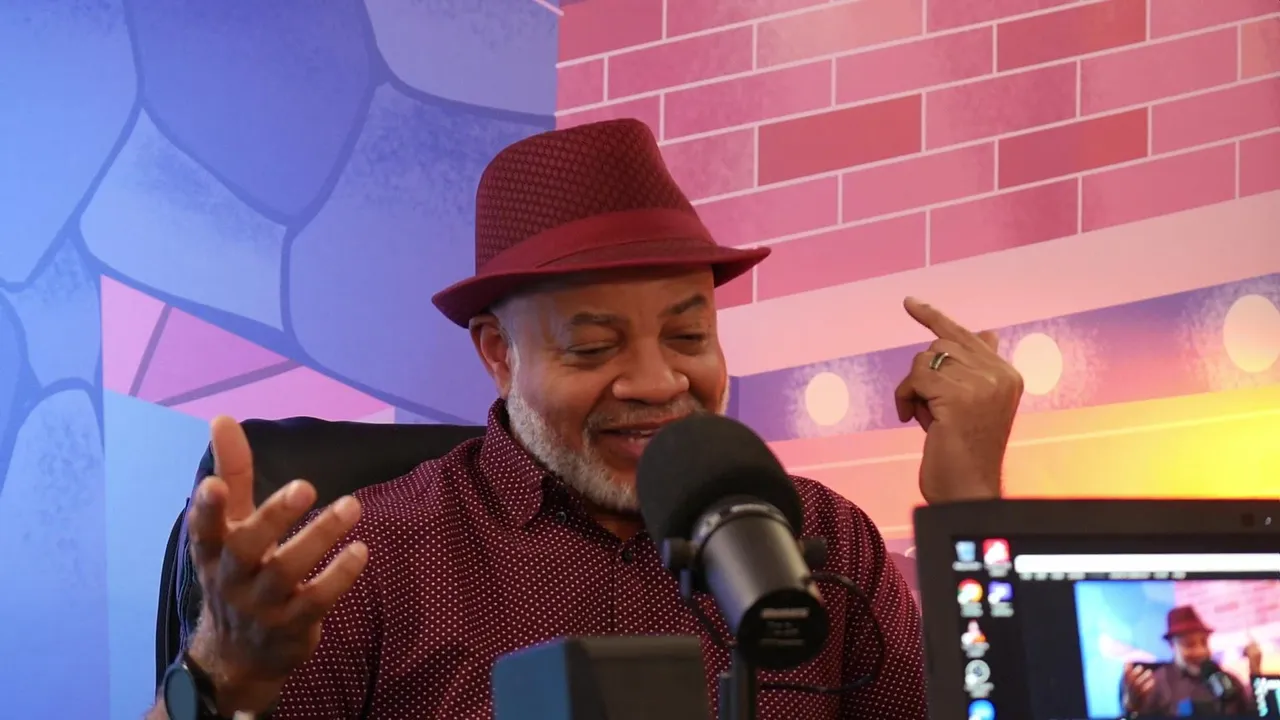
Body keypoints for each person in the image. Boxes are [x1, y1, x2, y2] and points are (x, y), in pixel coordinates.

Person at [148, 119, 1024, 719]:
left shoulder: (822, 542)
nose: (656, 381)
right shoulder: (368, 562)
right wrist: (220, 675)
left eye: (689, 335)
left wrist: (971, 515)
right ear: (499, 354)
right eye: (595, 346)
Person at [1122, 605, 1264, 716]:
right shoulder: (1154, 685)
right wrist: (1131, 709)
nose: (1201, 651)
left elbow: (1258, 714)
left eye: (1204, 642)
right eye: (1189, 645)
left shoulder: (1229, 680)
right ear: (1172, 645)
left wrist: (1255, 672)